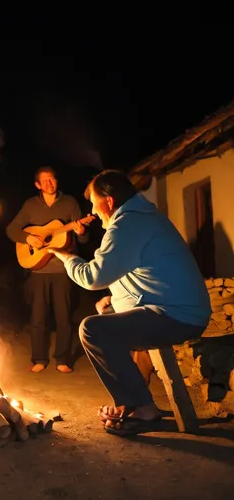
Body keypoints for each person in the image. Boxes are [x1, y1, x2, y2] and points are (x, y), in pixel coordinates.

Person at [49, 169, 211, 436]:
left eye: (94, 204)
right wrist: (113, 299)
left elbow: (92, 277)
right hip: (172, 308)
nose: (94, 211)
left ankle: (142, 409)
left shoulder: (127, 225)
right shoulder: (141, 219)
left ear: (109, 202)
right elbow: (141, 272)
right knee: (106, 313)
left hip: (177, 316)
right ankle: (128, 401)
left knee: (92, 330)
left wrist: (66, 257)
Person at [6, 166, 90, 374]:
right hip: (38, 270)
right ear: (37, 185)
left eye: (52, 179)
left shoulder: (70, 202)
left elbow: (84, 238)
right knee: (38, 318)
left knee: (64, 317)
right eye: (44, 181)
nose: (49, 183)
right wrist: (27, 238)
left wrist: (80, 230)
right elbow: (11, 229)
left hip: (63, 269)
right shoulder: (30, 205)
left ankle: (62, 359)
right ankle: (39, 359)